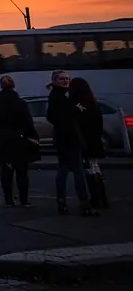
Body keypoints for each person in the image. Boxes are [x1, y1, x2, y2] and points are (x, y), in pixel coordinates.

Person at [46, 70, 94, 215]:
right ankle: (84, 204)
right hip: (70, 138)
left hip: (62, 138)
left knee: (63, 171)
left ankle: (62, 202)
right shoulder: (63, 96)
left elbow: (50, 116)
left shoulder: (55, 95)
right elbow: (71, 115)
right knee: (77, 171)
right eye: (62, 79)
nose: (66, 81)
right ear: (55, 80)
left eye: (67, 78)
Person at [0, 75, 38, 207]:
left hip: (3, 142)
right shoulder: (20, 102)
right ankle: (24, 199)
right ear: (14, 86)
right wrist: (31, 137)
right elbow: (27, 122)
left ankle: (8, 199)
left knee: (7, 172)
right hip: (19, 141)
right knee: (22, 172)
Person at [69, 77, 109, 209]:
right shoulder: (92, 102)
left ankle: (95, 198)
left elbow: (75, 122)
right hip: (94, 138)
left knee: (89, 169)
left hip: (84, 139)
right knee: (95, 167)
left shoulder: (76, 104)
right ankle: (102, 197)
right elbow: (99, 123)